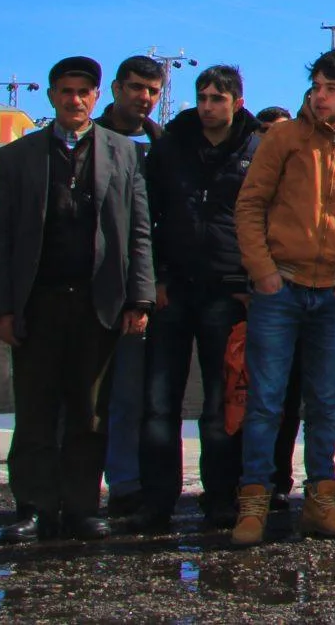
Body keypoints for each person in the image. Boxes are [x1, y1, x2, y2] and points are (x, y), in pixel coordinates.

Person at [0, 55, 156, 543]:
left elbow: (139, 232)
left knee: (91, 412)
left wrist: (139, 299)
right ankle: (34, 506)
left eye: (84, 91)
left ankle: (82, 506)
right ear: (51, 95)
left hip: (97, 303)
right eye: (66, 90)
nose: (75, 99)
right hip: (37, 303)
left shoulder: (125, 153)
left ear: (96, 97)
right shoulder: (16, 158)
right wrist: (2, 307)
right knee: (35, 410)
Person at [230, 47, 335, 547]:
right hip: (281, 286)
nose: (321, 97)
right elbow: (250, 205)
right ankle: (253, 503)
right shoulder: (283, 137)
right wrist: (264, 272)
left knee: (325, 403)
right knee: (266, 402)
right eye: (316, 87)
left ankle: (322, 501)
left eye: (332, 89)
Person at [138, 65, 262, 532]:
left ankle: (220, 500)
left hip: (228, 292)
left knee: (221, 404)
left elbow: (261, 219)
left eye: (217, 98)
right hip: (174, 290)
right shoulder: (171, 146)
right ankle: (157, 502)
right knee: (159, 404)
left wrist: (249, 284)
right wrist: (157, 278)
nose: (208, 106)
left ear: (237, 102)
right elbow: (149, 214)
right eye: (202, 97)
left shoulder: (256, 148)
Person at [97, 54, 167, 520]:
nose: (144, 97)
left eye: (153, 90)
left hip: (152, 287)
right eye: (136, 87)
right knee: (84, 400)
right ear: (117, 88)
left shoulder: (165, 144)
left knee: (133, 395)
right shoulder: (92, 140)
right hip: (96, 284)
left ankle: (126, 485)